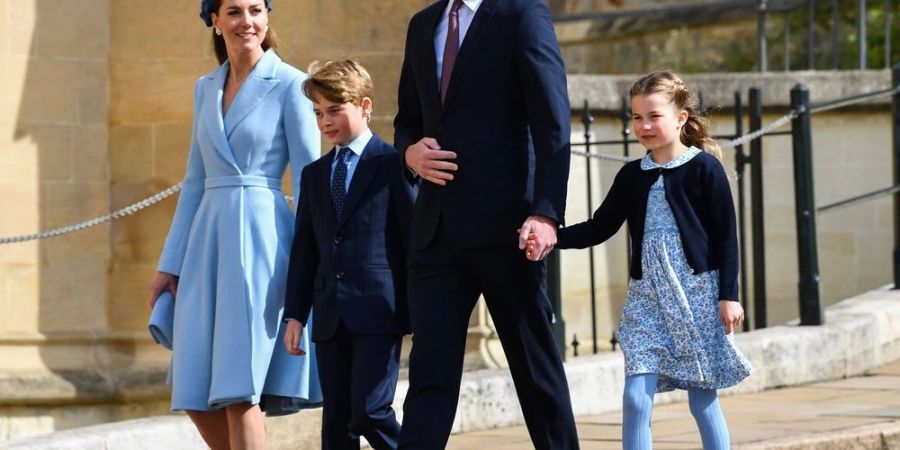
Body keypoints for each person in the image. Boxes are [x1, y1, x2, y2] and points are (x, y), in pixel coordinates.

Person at [532, 70, 753, 450]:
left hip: (696, 296)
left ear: (681, 117)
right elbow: (600, 227)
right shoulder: (632, 175)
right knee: (636, 398)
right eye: (636, 117)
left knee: (702, 400)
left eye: (654, 116)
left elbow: (726, 238)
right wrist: (553, 236)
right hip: (646, 299)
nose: (644, 125)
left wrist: (728, 295)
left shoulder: (705, 169)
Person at [393, 0, 580, 448]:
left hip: (507, 229)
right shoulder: (422, 25)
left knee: (535, 373)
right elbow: (407, 120)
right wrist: (409, 153)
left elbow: (551, 122)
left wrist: (546, 212)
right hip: (436, 234)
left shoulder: (522, 14)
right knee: (428, 379)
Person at [147, 1, 322, 448]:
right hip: (207, 241)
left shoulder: (291, 83)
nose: (247, 21)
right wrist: (170, 264)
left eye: (256, 10)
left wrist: (313, 259)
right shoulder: (204, 87)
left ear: (267, 18)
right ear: (214, 20)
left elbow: (308, 180)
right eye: (234, 11)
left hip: (261, 241)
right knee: (193, 386)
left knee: (238, 388)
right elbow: (193, 181)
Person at [282, 59, 414, 450]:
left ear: (365, 106)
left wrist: (422, 310)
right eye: (318, 113)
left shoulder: (393, 164)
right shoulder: (314, 175)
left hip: (378, 312)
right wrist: (294, 314)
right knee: (336, 424)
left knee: (370, 412)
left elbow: (413, 242)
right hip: (329, 317)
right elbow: (305, 248)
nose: (325, 122)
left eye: (335, 110)